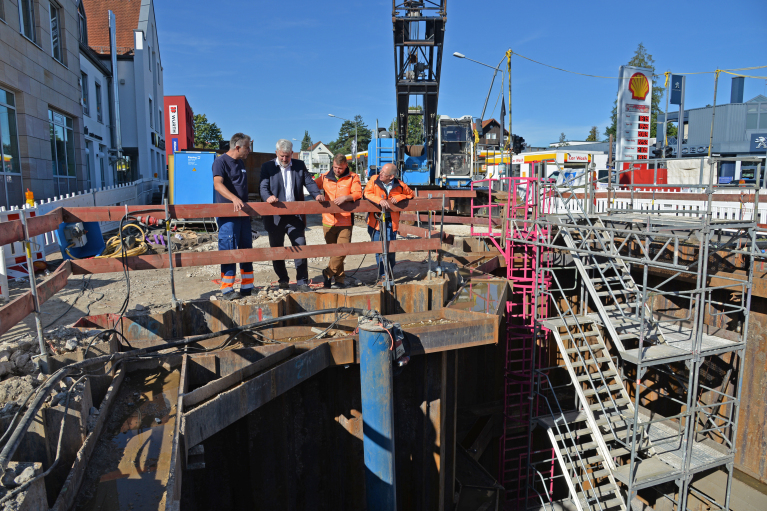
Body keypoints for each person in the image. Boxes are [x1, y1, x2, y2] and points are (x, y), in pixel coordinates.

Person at [260, 139, 323, 292]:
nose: (285, 159)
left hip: (295, 217)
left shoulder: (299, 165)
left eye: (287, 156)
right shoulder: (267, 167)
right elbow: (263, 186)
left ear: (292, 154)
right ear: (276, 153)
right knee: (277, 250)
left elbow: (309, 182)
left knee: (300, 247)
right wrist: (267, 196)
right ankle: (283, 279)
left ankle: (302, 282)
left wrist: (317, 195)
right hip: (275, 217)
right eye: (282, 156)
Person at [212, 133, 253, 300]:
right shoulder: (220, 162)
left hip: (243, 215)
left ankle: (247, 287)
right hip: (228, 215)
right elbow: (217, 184)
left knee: (246, 250)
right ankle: (227, 289)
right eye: (247, 147)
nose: (249, 150)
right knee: (228, 249)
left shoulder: (241, 162)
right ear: (237, 147)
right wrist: (234, 198)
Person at [314, 154, 362, 289]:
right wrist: (316, 195)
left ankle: (328, 273)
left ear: (346, 165)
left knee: (342, 250)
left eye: (340, 168)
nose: (337, 170)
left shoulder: (353, 177)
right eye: (335, 167)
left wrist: (346, 197)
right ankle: (339, 280)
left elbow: (358, 193)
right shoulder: (324, 177)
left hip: (345, 220)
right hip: (328, 220)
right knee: (334, 253)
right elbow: (312, 186)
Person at [363, 163, 414, 285]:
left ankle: (389, 274)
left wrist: (400, 196)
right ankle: (383, 275)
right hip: (375, 222)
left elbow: (411, 194)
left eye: (383, 173)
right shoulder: (374, 180)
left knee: (390, 249)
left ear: (391, 176)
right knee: (379, 249)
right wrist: (379, 200)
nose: (380, 174)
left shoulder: (400, 185)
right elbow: (367, 193)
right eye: (380, 172)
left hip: (391, 222)